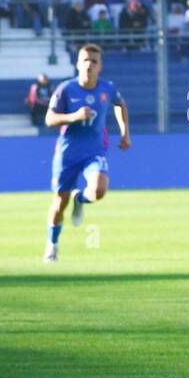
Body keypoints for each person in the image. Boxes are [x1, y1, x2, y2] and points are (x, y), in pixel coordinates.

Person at [43, 43, 132, 263]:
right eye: (85, 60)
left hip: (94, 151)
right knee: (59, 204)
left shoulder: (107, 88)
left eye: (94, 61)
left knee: (99, 189)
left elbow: (120, 104)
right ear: (77, 64)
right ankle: (52, 244)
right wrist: (74, 116)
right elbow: (49, 119)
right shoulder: (66, 89)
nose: (89, 65)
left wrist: (125, 133)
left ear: (100, 66)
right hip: (68, 153)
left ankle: (81, 198)